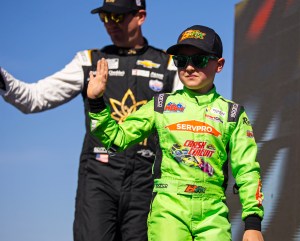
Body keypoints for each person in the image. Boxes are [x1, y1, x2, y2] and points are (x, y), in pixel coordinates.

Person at [0, 0, 181, 240]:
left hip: (147, 181)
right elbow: (33, 98)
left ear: (141, 16)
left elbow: (184, 126)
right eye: (104, 17)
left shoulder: (169, 65)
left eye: (117, 17)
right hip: (99, 178)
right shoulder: (88, 61)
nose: (110, 24)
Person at [87, 25, 265, 241]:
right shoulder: (161, 105)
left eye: (198, 60)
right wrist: (96, 103)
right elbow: (117, 137)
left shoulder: (233, 113)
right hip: (169, 209)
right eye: (181, 60)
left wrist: (253, 223)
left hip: (213, 213)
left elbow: (247, 170)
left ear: (219, 65)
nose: (189, 67)